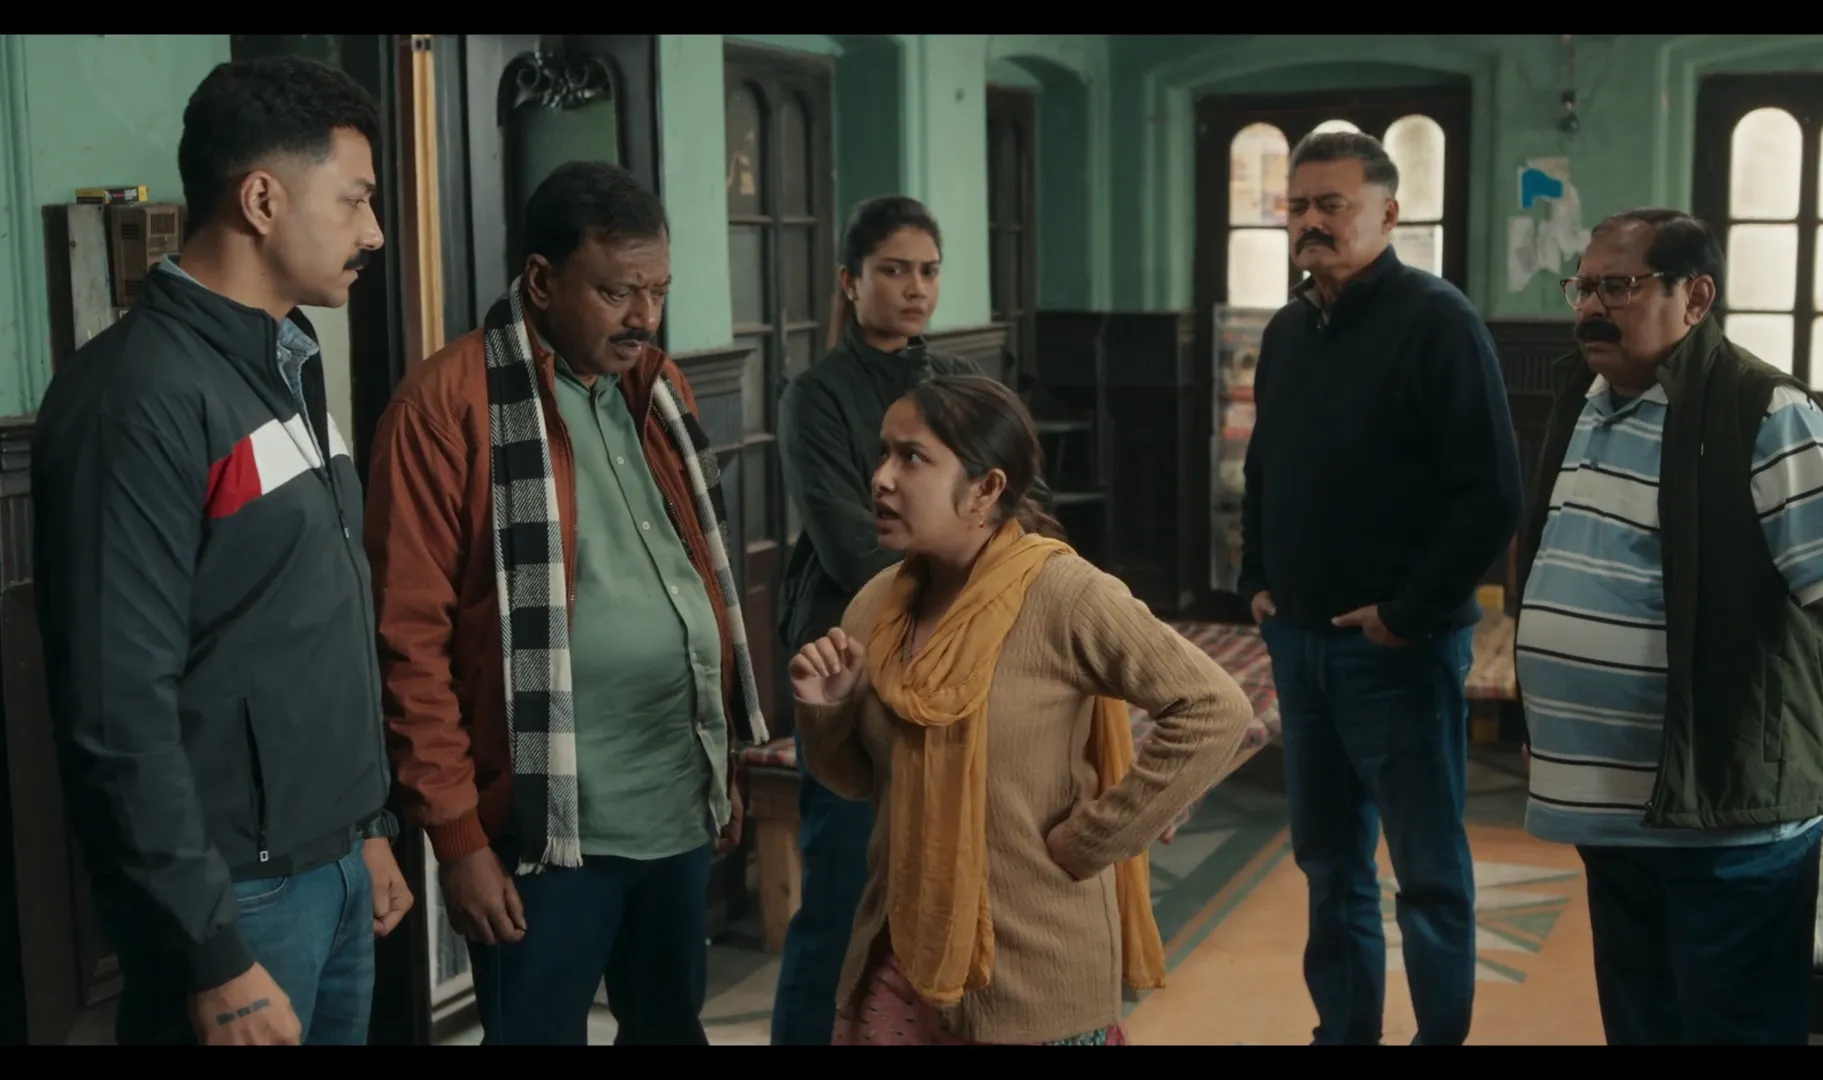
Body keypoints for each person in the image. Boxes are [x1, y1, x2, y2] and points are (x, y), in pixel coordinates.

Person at [31, 56, 411, 1047]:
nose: (374, 231)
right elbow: (116, 707)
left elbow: (301, 627)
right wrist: (209, 951)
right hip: (238, 903)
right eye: (356, 199)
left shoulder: (283, 361)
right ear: (261, 199)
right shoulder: (137, 398)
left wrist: (364, 829)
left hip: (332, 870)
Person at [365, 160, 769, 1046]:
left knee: (668, 1029)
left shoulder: (659, 388)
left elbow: (699, 580)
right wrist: (460, 842)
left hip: (675, 795)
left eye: (658, 291)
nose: (645, 317)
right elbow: (409, 647)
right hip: (544, 827)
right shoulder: (444, 407)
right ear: (542, 282)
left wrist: (723, 763)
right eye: (617, 292)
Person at [1513, 207, 1823, 1045]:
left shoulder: (1761, 409)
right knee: (1642, 1025)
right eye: (1583, 287)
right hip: (1608, 813)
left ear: (1695, 298)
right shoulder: (1582, 395)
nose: (1591, 307)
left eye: (1617, 287)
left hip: (1728, 818)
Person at [790, 374, 1251, 1045]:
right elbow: (861, 782)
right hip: (902, 960)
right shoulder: (878, 606)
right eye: (883, 453)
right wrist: (827, 712)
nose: (882, 478)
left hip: (1035, 974)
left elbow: (1214, 709)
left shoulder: (1064, 595)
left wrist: (1090, 840)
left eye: (912, 457)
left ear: (986, 488)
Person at [1237, 130, 1523, 1046]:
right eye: (1298, 206)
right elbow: (1264, 470)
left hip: (1396, 650)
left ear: (1389, 214)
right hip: (1300, 643)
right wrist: (1255, 578)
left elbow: (1494, 497)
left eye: (1333, 205)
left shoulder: (1439, 321)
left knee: (1427, 873)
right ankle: (1345, 1033)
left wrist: (1409, 613)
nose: (1311, 222)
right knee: (1329, 865)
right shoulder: (1287, 330)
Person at [770, 194, 978, 1045]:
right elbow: (852, 543)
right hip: (850, 656)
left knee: (944, 887)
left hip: (958, 656)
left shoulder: (959, 386)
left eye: (928, 271)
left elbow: (1012, 508)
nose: (915, 287)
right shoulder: (815, 395)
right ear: (852, 281)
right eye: (894, 271)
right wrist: (964, 584)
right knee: (842, 892)